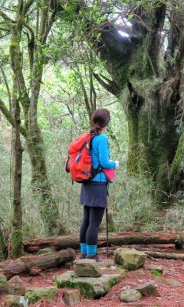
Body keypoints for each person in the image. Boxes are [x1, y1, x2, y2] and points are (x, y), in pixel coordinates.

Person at [79, 108, 119, 260]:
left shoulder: (89, 137)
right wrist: (114, 164)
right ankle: (91, 255)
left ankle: (84, 253)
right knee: (94, 222)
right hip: (98, 183)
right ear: (106, 122)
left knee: (86, 220)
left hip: (87, 181)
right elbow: (103, 162)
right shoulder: (101, 138)